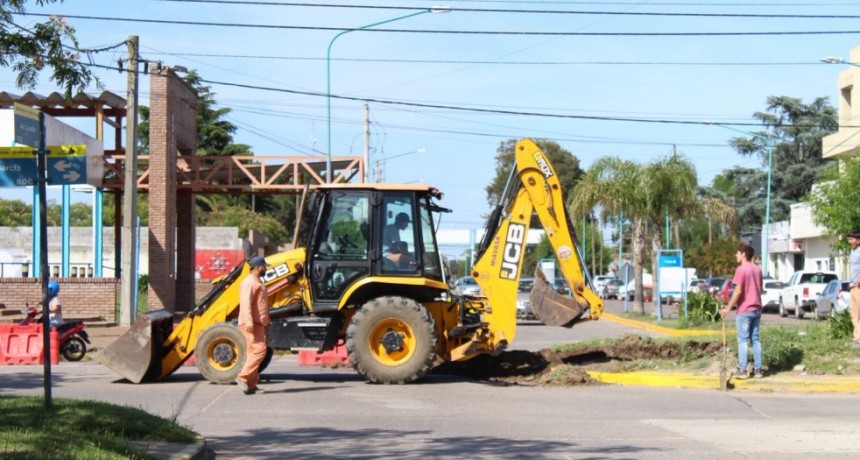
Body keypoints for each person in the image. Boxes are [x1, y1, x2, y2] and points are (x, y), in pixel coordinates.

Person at [720, 242, 764, 379]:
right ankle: (758, 370)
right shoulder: (757, 269)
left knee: (743, 340)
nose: (736, 255)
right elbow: (761, 289)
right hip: (757, 308)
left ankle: (743, 369)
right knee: (755, 339)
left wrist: (728, 307)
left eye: (737, 253)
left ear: (743, 254)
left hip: (745, 309)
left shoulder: (741, 269)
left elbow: (738, 291)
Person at [236, 256, 272, 395]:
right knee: (259, 350)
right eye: (264, 267)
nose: (265, 269)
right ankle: (242, 377)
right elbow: (245, 304)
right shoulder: (249, 283)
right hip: (251, 323)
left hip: (258, 324)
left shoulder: (257, 282)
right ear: (257, 267)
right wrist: (249, 322)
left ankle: (251, 385)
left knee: (253, 352)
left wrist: (266, 322)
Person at [847, 230, 860, 346]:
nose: (849, 241)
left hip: (859, 285)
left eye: (851, 239)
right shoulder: (852, 250)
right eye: (849, 239)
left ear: (858, 240)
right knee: (854, 313)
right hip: (853, 285)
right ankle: (857, 337)